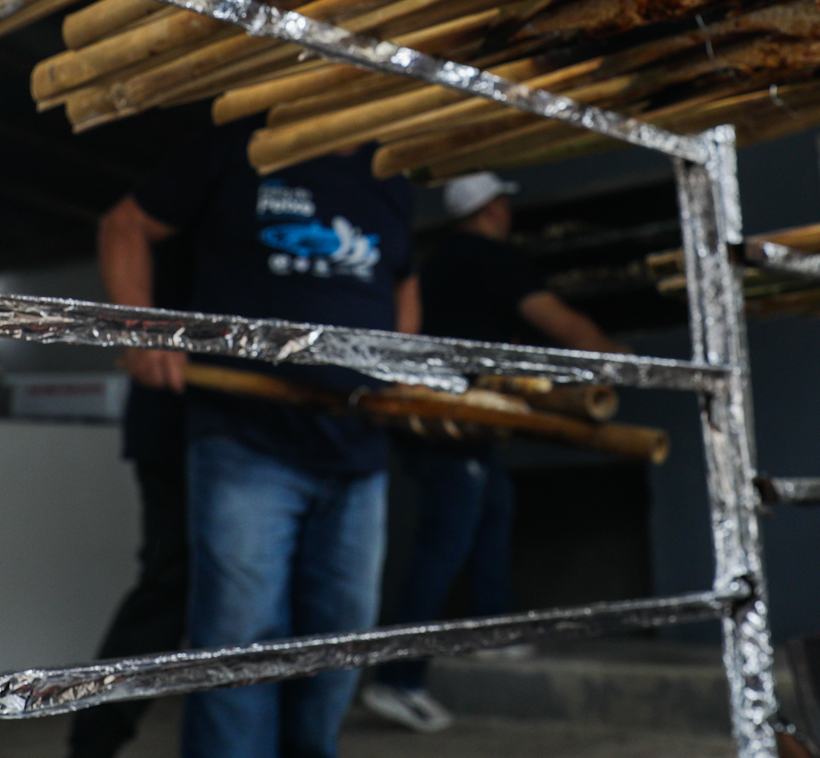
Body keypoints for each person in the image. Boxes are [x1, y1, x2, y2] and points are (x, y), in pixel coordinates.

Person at [102, 114, 418, 758]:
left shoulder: (389, 171)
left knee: (340, 638)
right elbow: (125, 224)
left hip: (358, 448)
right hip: (245, 437)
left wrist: (401, 364)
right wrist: (141, 327)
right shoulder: (243, 144)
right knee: (240, 636)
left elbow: (404, 275)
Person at [360, 172, 627, 735]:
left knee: (493, 505)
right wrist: (619, 360)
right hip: (450, 422)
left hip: (442, 417)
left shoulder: (438, 261)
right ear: (492, 209)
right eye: (504, 202)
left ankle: (492, 629)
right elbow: (562, 322)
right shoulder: (491, 258)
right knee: (444, 542)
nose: (507, 211)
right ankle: (397, 678)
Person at [67, 239, 193, 758]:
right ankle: (94, 742)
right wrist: (145, 335)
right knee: (171, 585)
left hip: (258, 431)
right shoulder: (192, 209)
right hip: (180, 424)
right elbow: (123, 225)